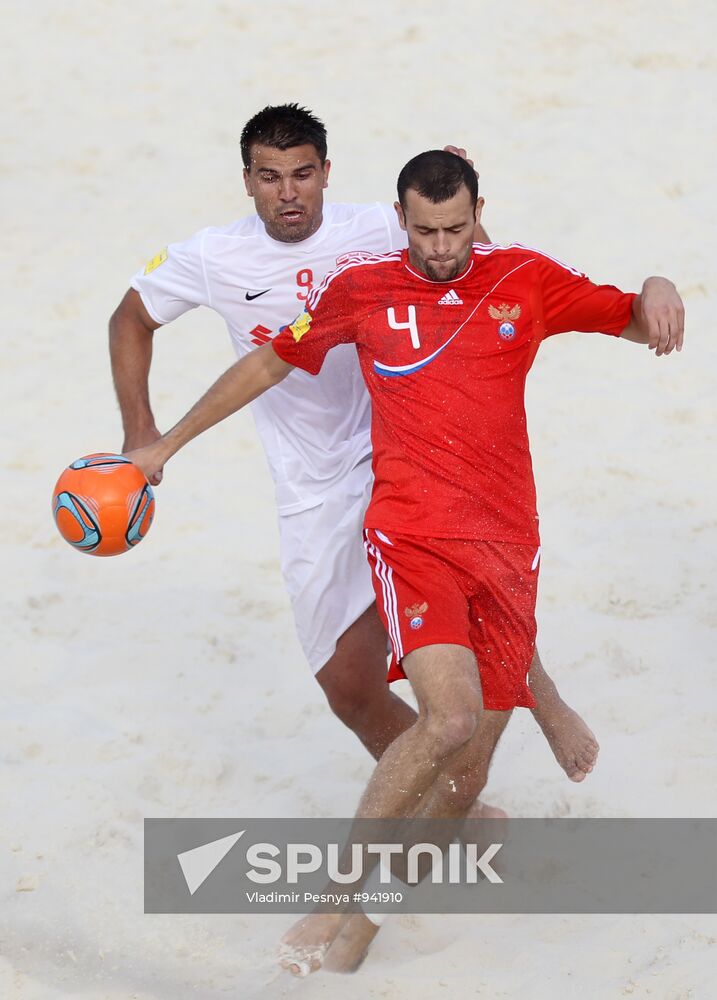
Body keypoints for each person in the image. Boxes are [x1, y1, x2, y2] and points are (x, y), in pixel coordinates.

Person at [125, 150, 684, 975]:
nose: (440, 247)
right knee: (448, 720)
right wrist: (164, 442)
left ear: (478, 212)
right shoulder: (361, 292)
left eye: (455, 228)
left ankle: (355, 941)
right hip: (410, 535)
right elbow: (267, 363)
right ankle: (337, 897)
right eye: (422, 230)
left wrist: (661, 284)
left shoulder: (522, 279)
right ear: (399, 219)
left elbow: (634, 318)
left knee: (466, 774)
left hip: (503, 547)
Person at [110, 104, 598, 785]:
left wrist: (460, 184)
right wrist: (142, 433)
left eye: (303, 174)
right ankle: (445, 801)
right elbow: (131, 316)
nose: (289, 192)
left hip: (402, 450)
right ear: (247, 180)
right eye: (270, 176)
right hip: (308, 485)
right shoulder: (212, 256)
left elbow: (476, 271)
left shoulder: (379, 223)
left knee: (463, 595)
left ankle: (538, 710)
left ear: (326, 173)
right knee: (348, 685)